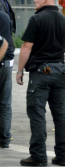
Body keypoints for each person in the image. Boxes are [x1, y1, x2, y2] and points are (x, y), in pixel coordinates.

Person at [16, 0, 65, 166]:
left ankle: (38, 156)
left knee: (37, 114)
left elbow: (27, 47)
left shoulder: (36, 19)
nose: (34, 1)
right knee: (61, 116)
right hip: (60, 73)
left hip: (40, 74)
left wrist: (20, 71)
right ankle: (63, 156)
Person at [0, 10, 14, 148]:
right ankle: (4, 139)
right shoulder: (4, 16)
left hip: (3, 59)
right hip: (6, 64)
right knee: (5, 102)